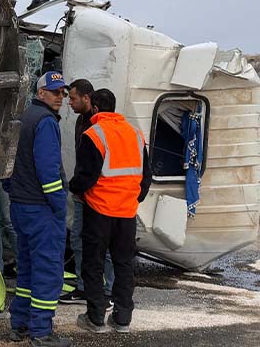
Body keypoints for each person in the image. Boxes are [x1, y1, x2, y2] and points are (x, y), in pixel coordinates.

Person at [69, 88, 151, 334]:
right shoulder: (135, 134)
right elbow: (146, 177)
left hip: (99, 211)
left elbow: (85, 176)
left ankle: (95, 318)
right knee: (124, 264)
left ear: (94, 107)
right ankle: (122, 319)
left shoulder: (94, 134)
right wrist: (133, 198)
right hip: (127, 213)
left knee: (93, 263)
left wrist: (74, 189)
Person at [7, 71, 72, 347]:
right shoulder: (45, 121)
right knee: (48, 271)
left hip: (20, 206)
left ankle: (19, 323)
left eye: (63, 93)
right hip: (41, 209)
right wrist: (59, 206)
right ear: (41, 93)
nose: (60, 97)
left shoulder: (24, 117)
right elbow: (49, 171)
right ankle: (41, 333)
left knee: (27, 270)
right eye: (55, 92)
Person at [61, 80, 112, 303]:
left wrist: (76, 185)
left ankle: (110, 291)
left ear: (87, 98)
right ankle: (83, 287)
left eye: (72, 98)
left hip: (101, 196)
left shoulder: (103, 125)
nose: (69, 103)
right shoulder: (81, 121)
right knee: (78, 240)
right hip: (83, 194)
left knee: (105, 244)